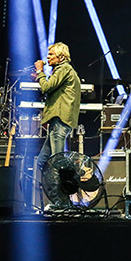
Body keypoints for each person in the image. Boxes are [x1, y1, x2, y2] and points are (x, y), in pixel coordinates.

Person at [33, 42, 81, 180]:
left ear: (61, 57)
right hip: (58, 120)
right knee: (41, 161)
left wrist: (39, 71)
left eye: (51, 54)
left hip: (60, 119)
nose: (48, 57)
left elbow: (47, 87)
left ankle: (62, 196)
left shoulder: (64, 69)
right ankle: (37, 192)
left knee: (57, 161)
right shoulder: (65, 70)